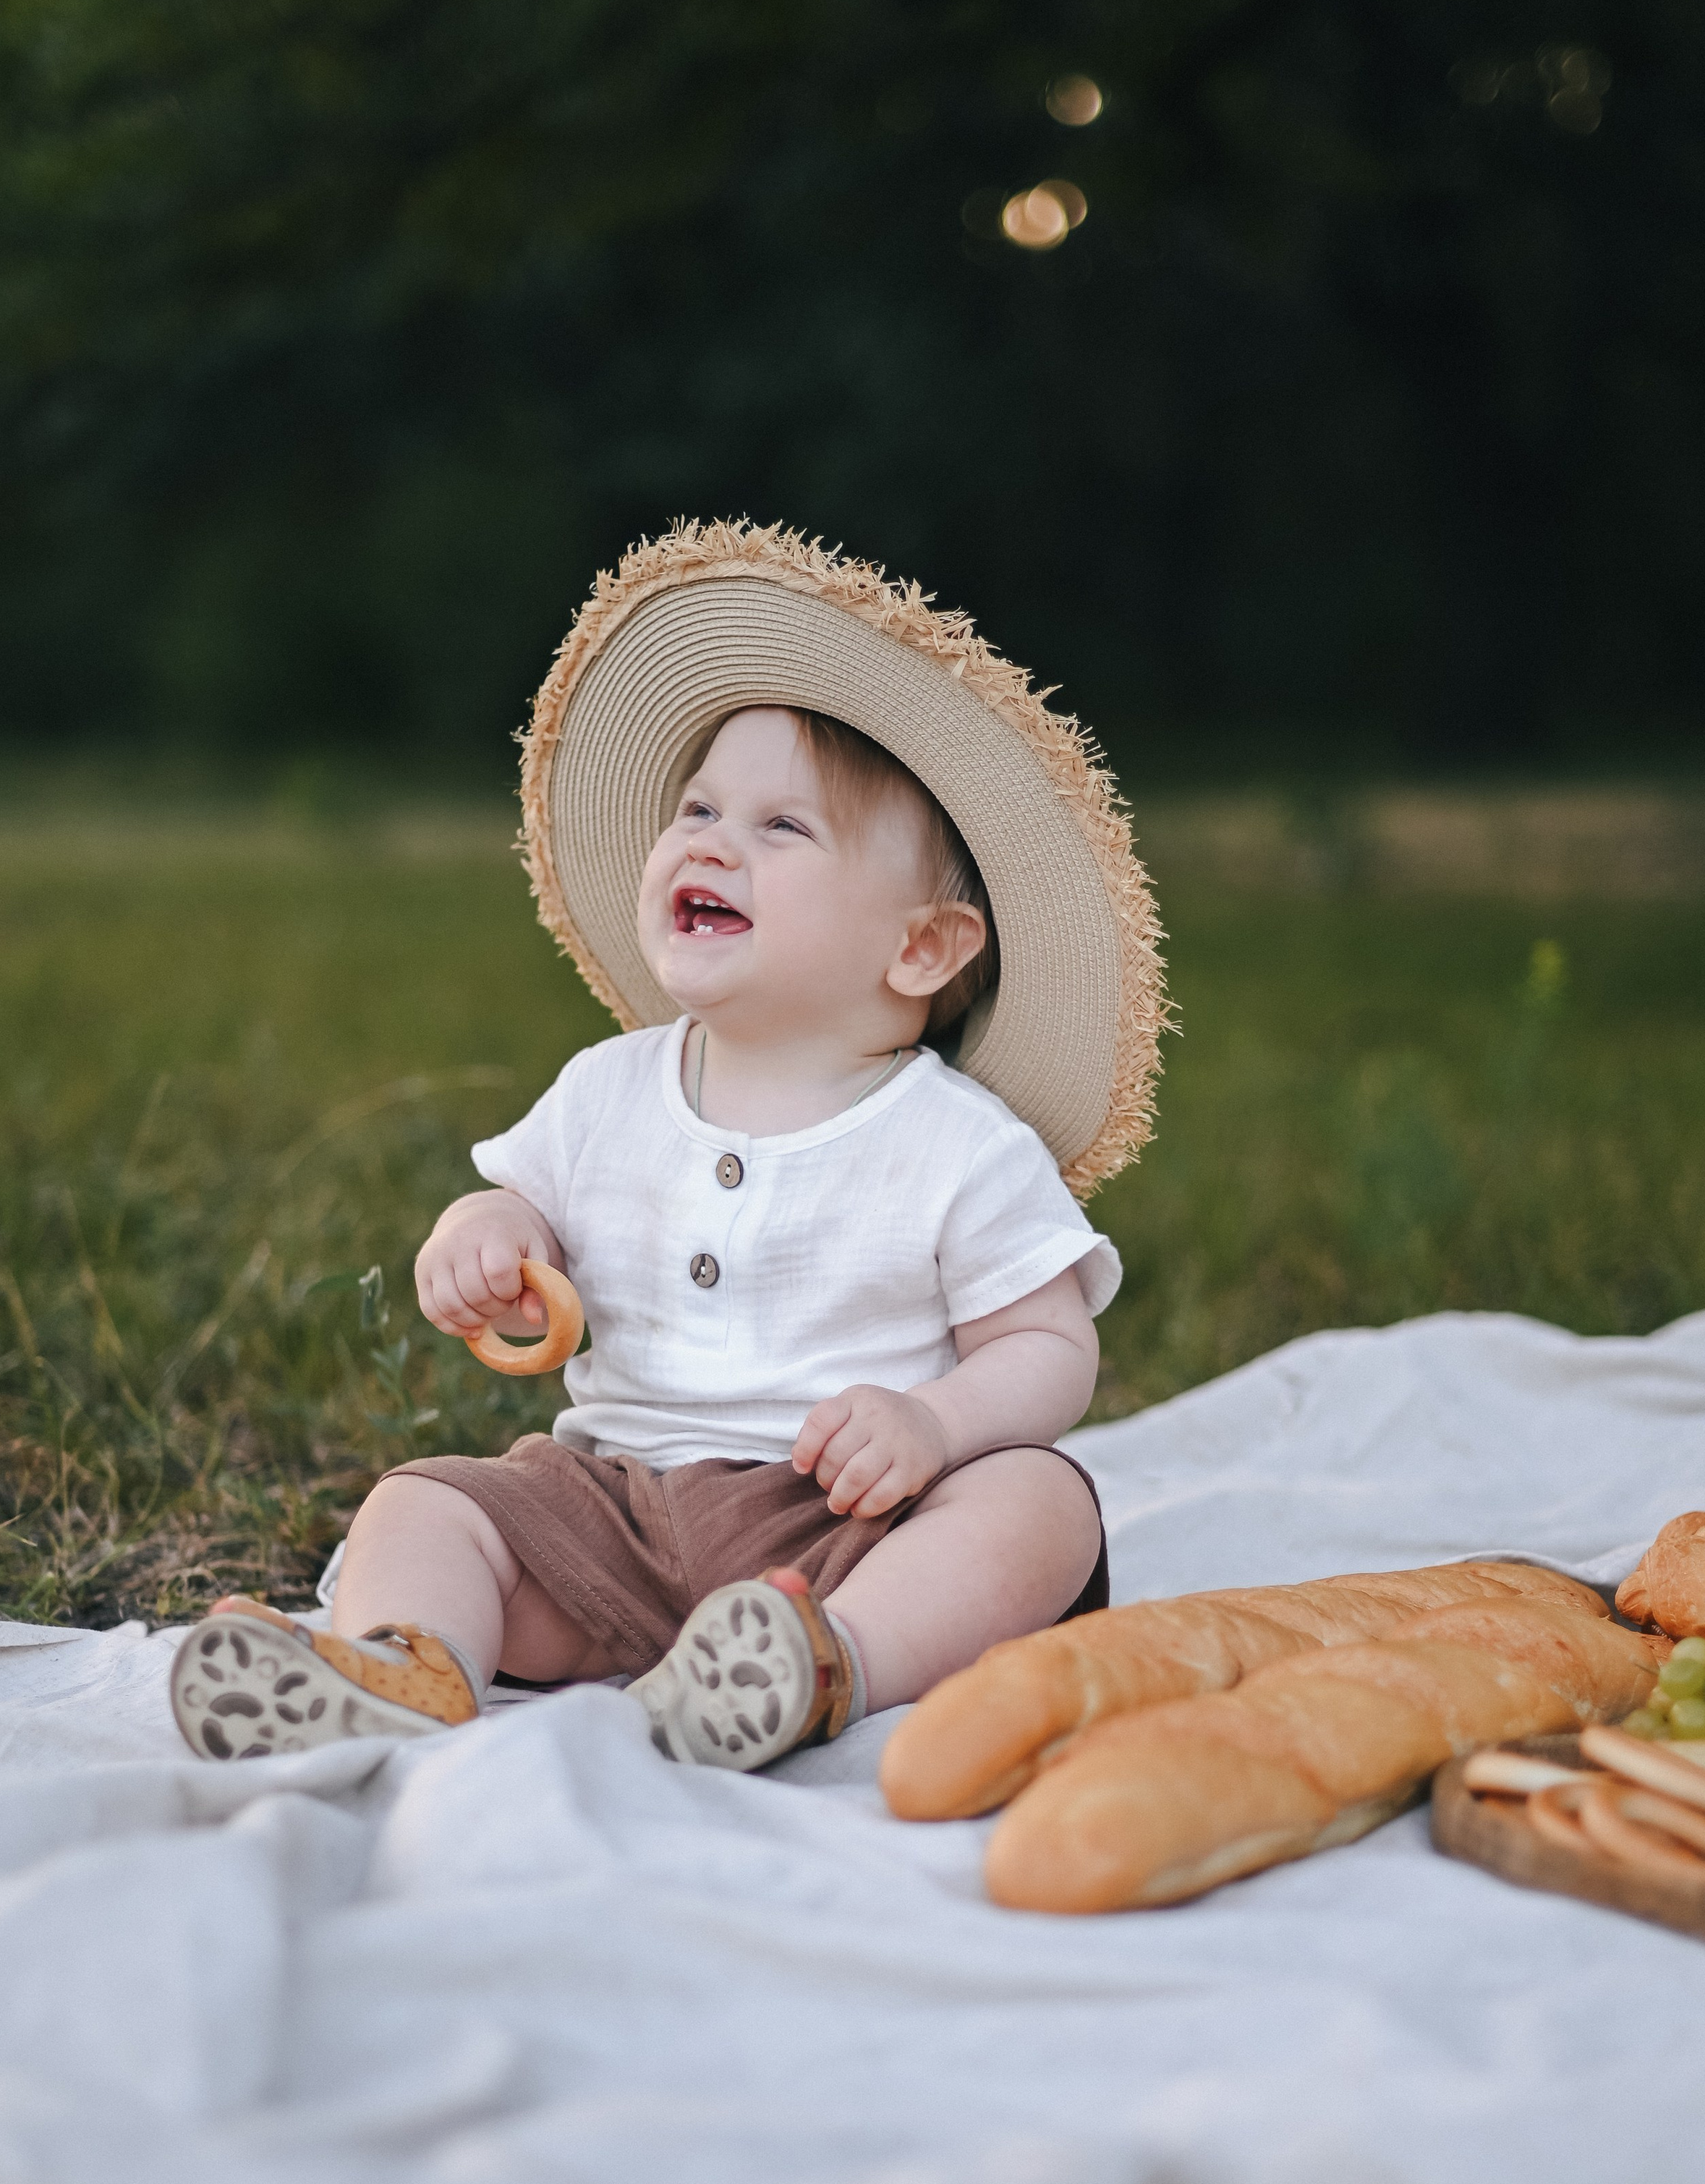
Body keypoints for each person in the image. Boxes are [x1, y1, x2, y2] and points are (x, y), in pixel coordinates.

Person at [169, 521, 1165, 1771]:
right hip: (613, 1517)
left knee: (1039, 1507)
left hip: (850, 1523)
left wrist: (936, 1426)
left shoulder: (958, 1145)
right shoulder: (607, 1090)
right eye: (697, 808)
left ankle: (819, 1666)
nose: (708, 841)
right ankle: (402, 1666)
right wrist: (480, 1240)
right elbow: (516, 1211)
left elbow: (1046, 1347)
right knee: (426, 1502)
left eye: (779, 829)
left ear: (920, 948)